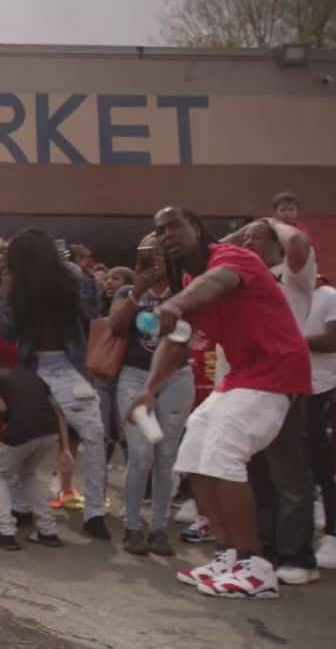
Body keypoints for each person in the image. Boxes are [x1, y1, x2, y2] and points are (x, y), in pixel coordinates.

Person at [128, 207, 310, 599]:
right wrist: (149, 390)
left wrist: (176, 304)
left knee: (224, 454)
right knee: (194, 454)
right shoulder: (189, 283)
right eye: (159, 231)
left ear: (196, 229)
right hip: (241, 376)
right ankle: (228, 554)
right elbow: (176, 341)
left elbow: (217, 282)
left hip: (276, 371)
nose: (165, 236)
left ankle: (255, 566)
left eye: (173, 227)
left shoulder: (232, 258)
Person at [0, 228, 109, 540]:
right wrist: (4, 296)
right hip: (32, 370)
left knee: (94, 434)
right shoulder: (16, 283)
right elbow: (7, 333)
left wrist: (87, 276)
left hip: (68, 368)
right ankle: (20, 508)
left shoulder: (69, 276)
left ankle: (95, 513)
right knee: (20, 440)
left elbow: (91, 311)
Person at [234, 218, 319, 585]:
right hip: (247, 385)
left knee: (289, 474)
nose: (249, 244)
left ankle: (298, 556)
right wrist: (247, 231)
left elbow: (297, 242)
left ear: (276, 244)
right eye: (247, 238)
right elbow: (214, 253)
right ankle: (264, 549)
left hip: (284, 381)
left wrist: (270, 220)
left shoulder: (294, 275)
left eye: (258, 238)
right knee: (257, 474)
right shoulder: (243, 276)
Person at [107, 235, 195, 556]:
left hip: (176, 378)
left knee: (166, 455)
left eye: (162, 253)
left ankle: (159, 529)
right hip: (135, 378)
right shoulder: (127, 291)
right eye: (150, 253)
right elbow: (116, 327)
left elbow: (186, 336)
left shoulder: (185, 289)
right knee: (141, 453)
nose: (156, 258)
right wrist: (137, 291)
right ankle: (133, 527)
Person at [0, 363, 73, 550]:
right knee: (28, 473)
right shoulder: (33, 377)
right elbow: (59, 413)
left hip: (21, 429)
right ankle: (48, 530)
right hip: (49, 430)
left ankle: (6, 532)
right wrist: (65, 448)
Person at [303, 278, 336, 569]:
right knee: (300, 462)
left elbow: (332, 341)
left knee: (327, 465)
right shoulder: (287, 296)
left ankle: (333, 534)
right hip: (292, 389)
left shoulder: (329, 296)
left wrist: (293, 342)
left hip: (324, 389)